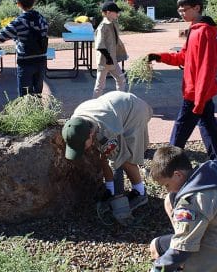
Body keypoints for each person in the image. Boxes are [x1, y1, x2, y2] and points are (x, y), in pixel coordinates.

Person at [146, 0, 217, 175]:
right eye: (179, 10)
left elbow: (207, 69)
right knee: (209, 130)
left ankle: (164, 169)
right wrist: (160, 57)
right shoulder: (194, 29)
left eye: (184, 9)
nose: (181, 13)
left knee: (179, 132)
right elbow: (184, 57)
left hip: (196, 94)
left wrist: (199, 101)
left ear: (197, 8)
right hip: (197, 93)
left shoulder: (205, 32)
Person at [147, 145, 217, 272]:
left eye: (167, 185)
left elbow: (181, 251)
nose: (167, 189)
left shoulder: (192, 202)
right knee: (170, 200)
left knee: (156, 246)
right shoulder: (216, 174)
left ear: (177, 175)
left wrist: (157, 269)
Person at [62, 91, 153, 224]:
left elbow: (117, 161)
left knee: (127, 159)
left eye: (82, 145)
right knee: (103, 155)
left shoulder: (107, 134)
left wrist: (119, 197)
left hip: (134, 113)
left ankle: (140, 193)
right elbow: (104, 156)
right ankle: (109, 189)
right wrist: (112, 191)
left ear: (90, 135)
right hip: (116, 108)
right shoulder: (76, 121)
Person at [0, 0, 48, 96]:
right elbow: (41, 33)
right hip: (41, 61)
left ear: (18, 4)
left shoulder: (19, 22)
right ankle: (38, 111)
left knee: (25, 97)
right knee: (37, 94)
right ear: (34, 2)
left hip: (26, 63)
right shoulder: (41, 19)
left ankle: (27, 113)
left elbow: (1, 35)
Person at [93, 1, 128, 98]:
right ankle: (93, 105)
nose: (118, 14)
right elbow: (99, 45)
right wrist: (108, 58)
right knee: (100, 85)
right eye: (116, 12)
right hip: (105, 60)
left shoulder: (113, 24)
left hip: (113, 59)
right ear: (108, 12)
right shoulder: (103, 26)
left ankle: (120, 100)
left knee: (121, 80)